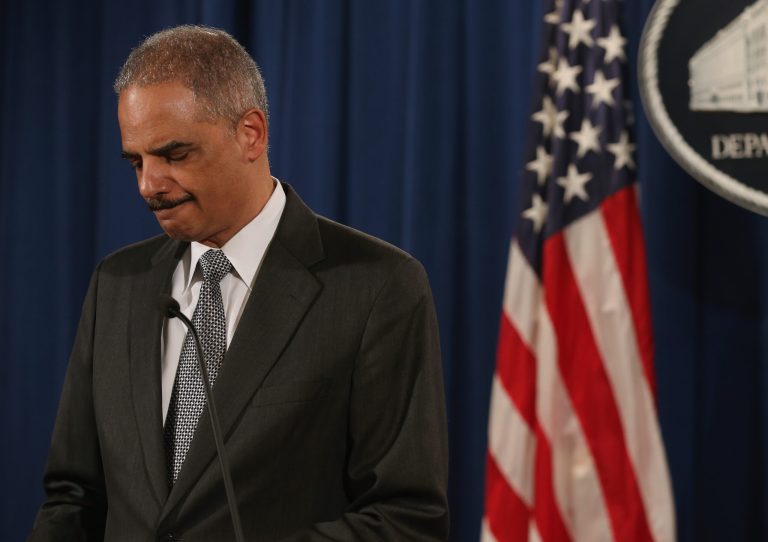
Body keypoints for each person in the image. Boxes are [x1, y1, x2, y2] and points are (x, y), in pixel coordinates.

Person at [28, 25, 449, 541]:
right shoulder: (118, 283)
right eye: (136, 161)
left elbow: (405, 515)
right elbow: (75, 496)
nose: (148, 186)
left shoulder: (376, 286)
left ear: (251, 133)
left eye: (174, 155)